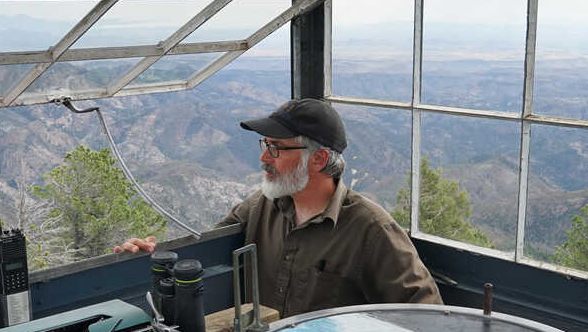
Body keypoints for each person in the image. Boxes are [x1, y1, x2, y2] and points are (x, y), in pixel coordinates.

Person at [123, 98, 442, 317]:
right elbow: (201, 254)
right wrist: (155, 252)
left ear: (317, 159)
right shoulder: (259, 207)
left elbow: (426, 314)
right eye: (265, 146)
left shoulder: (371, 229)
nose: (263, 157)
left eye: (275, 148)